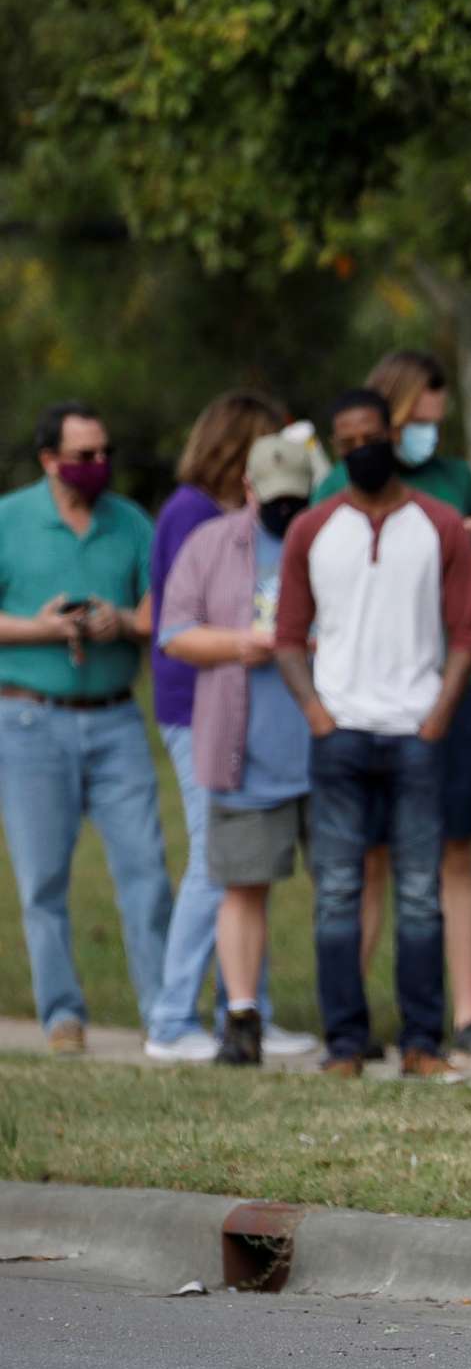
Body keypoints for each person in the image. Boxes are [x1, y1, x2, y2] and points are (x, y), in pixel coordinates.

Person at [274, 389, 471, 1081]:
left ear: (390, 437)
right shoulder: (313, 529)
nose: (360, 449)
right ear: (336, 449)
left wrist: (438, 716)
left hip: (415, 732)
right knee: (336, 889)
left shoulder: (440, 524)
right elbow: (286, 638)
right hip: (341, 734)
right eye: (347, 440)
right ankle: (345, 1044)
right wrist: (316, 713)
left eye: (370, 436)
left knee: (421, 891)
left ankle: (423, 1042)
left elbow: (466, 634)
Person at [144, 390, 314, 1062]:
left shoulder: (286, 524)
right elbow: (179, 621)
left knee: (236, 873)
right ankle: (173, 1017)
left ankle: (245, 1012)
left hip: (265, 713)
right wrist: (242, 644)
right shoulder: (195, 516)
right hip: (206, 711)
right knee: (216, 871)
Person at [0, 402, 172, 1055]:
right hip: (27, 720)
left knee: (147, 871)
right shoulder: (9, 519)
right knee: (43, 879)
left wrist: (120, 620)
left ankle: (163, 1016)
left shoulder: (131, 522)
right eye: (84, 456)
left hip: (115, 718)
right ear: (49, 461)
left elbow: (164, 611)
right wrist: (42, 628)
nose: (99, 466)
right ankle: (62, 1018)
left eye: (106, 454)